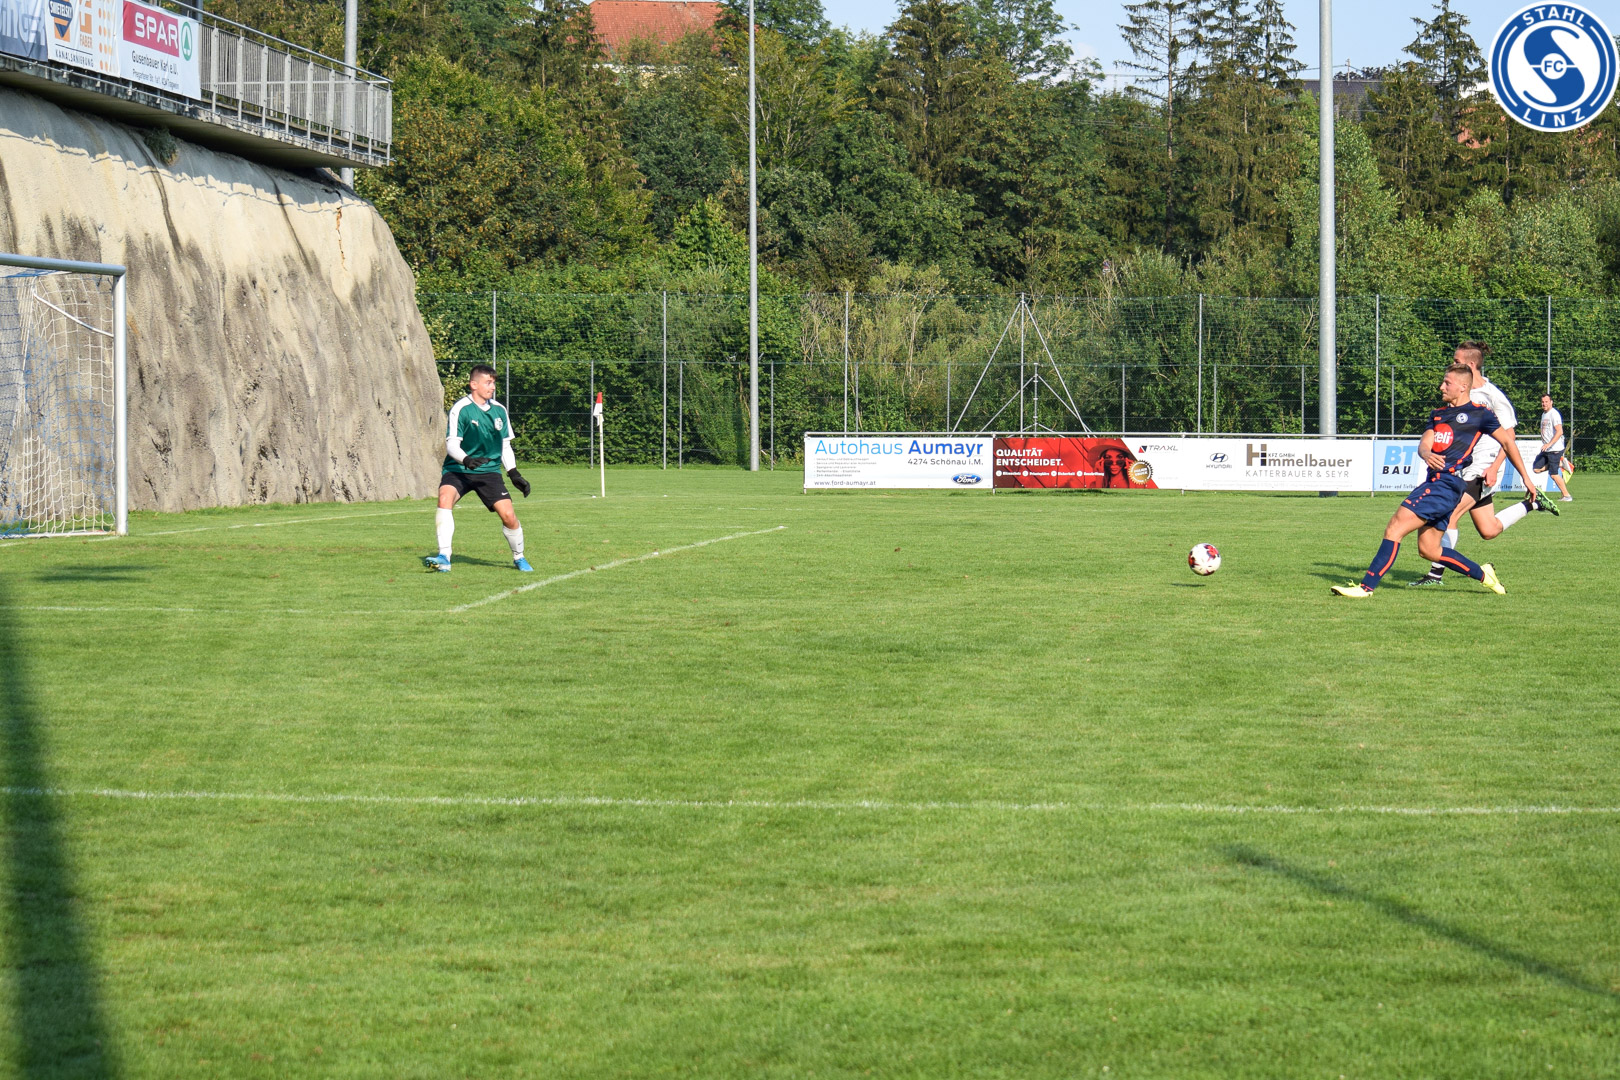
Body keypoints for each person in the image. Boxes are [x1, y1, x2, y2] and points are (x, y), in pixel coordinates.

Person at [1333, 362, 1542, 599]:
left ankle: (1366, 587)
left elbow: (1507, 442)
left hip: (1446, 484)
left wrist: (1527, 479)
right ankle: (1484, 575)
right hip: (1437, 483)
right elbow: (1425, 443)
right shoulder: (1438, 414)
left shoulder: (1480, 414)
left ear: (1463, 387)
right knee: (1429, 550)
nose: (1441, 387)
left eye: (1447, 383)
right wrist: (1426, 454)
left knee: (1395, 527)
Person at [1407, 342, 1556, 587]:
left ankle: (1435, 576)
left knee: (1450, 514)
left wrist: (1494, 467)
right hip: (1462, 469)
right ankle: (1534, 504)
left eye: (1456, 361)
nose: (1452, 364)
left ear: (1471, 364)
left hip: (1481, 469)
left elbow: (1509, 438)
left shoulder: (1492, 396)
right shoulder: (1458, 392)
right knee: (1489, 529)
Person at [424, 364, 533, 573]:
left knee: (508, 516)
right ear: (474, 384)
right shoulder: (461, 409)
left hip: (488, 472)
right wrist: (466, 460)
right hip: (458, 469)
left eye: (494, 383)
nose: (492, 387)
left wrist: (513, 473)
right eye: (488, 382)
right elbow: (452, 445)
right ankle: (444, 557)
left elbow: (504, 446)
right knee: (444, 498)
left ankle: (519, 557)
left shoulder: (499, 410)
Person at [1534, 394, 1574, 502]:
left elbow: (1559, 431)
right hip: (1547, 449)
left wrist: (1549, 444)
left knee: (1553, 474)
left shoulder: (1554, 414)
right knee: (1536, 468)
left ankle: (1567, 496)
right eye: (1543, 402)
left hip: (1555, 449)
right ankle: (1560, 463)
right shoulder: (1544, 414)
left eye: (1546, 401)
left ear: (1551, 402)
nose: (1544, 404)